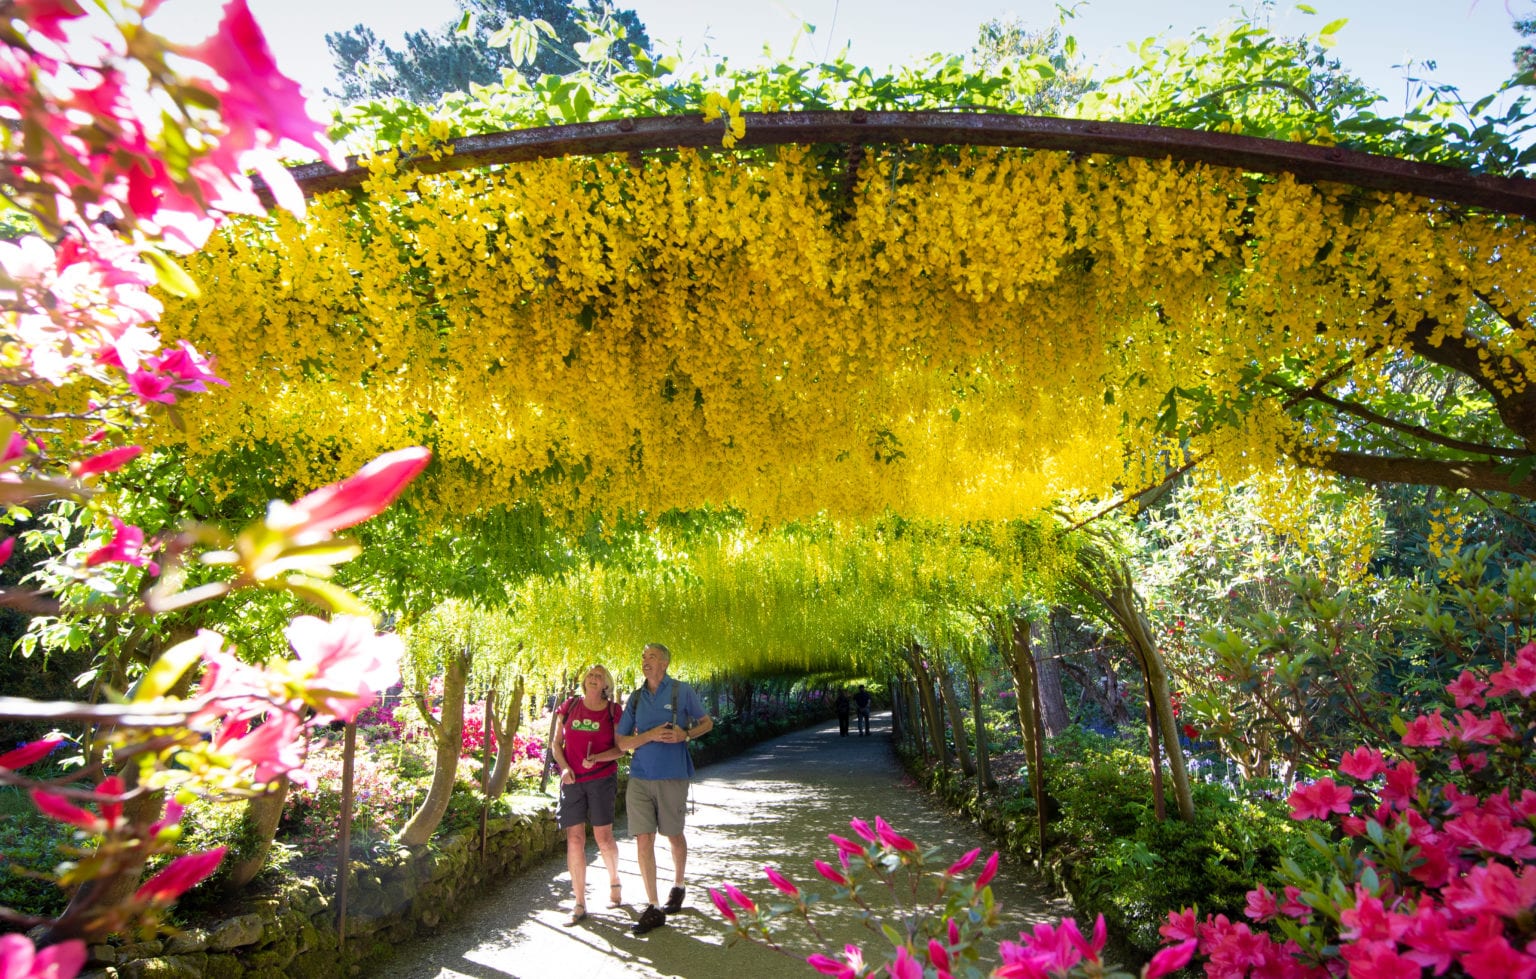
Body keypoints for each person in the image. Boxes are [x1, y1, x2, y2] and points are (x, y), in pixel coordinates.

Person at [616, 642, 713, 935]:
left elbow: (707, 723)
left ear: (665, 663)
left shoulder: (682, 691)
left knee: (673, 834)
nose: (646, 661)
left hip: (673, 776)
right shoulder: (635, 698)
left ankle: (679, 885)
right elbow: (621, 742)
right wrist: (649, 735)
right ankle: (654, 906)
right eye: (643, 656)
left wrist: (686, 734)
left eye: (652, 657)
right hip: (640, 777)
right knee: (643, 839)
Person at [550, 664, 625, 926]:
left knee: (603, 837)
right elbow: (555, 744)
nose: (594, 679)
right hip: (572, 780)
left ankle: (615, 880)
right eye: (591, 675)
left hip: (601, 779)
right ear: (585, 681)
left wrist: (598, 758)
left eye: (599, 676)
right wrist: (564, 768)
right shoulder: (570, 706)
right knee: (574, 838)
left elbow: (621, 749)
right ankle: (579, 903)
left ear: (606, 683)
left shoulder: (613, 711)